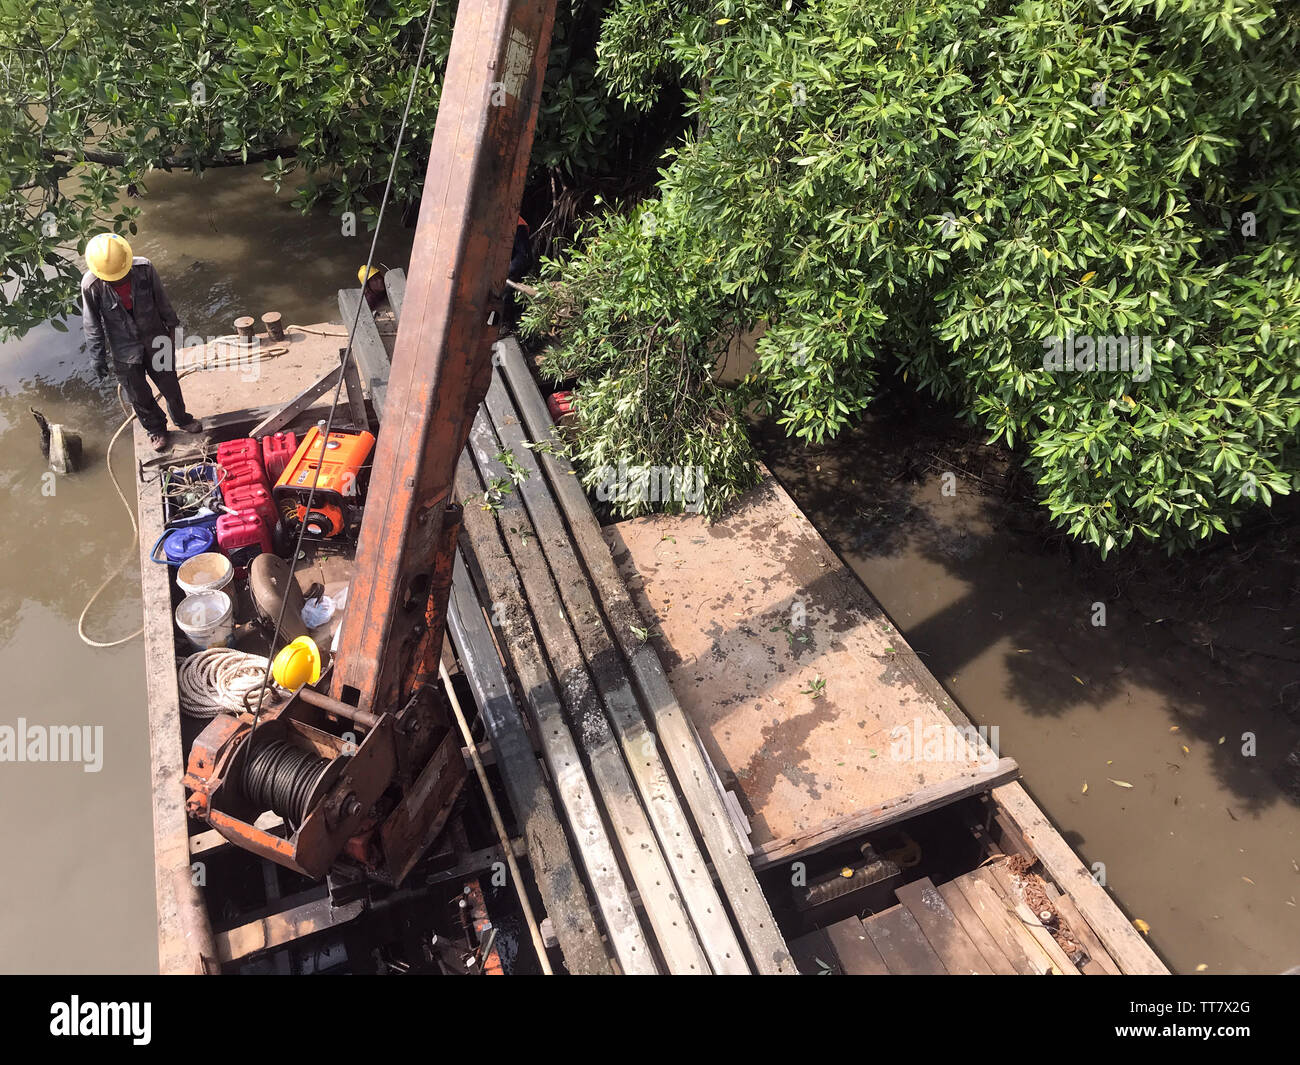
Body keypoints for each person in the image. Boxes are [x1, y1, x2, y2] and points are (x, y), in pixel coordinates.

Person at [81, 233, 201, 451]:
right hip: (124, 348)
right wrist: (96, 356)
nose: (118, 279)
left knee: (170, 385)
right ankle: (156, 429)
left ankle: (182, 419)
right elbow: (92, 324)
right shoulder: (91, 285)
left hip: (155, 337)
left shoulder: (144, 269)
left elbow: (161, 299)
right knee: (138, 394)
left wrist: (172, 327)